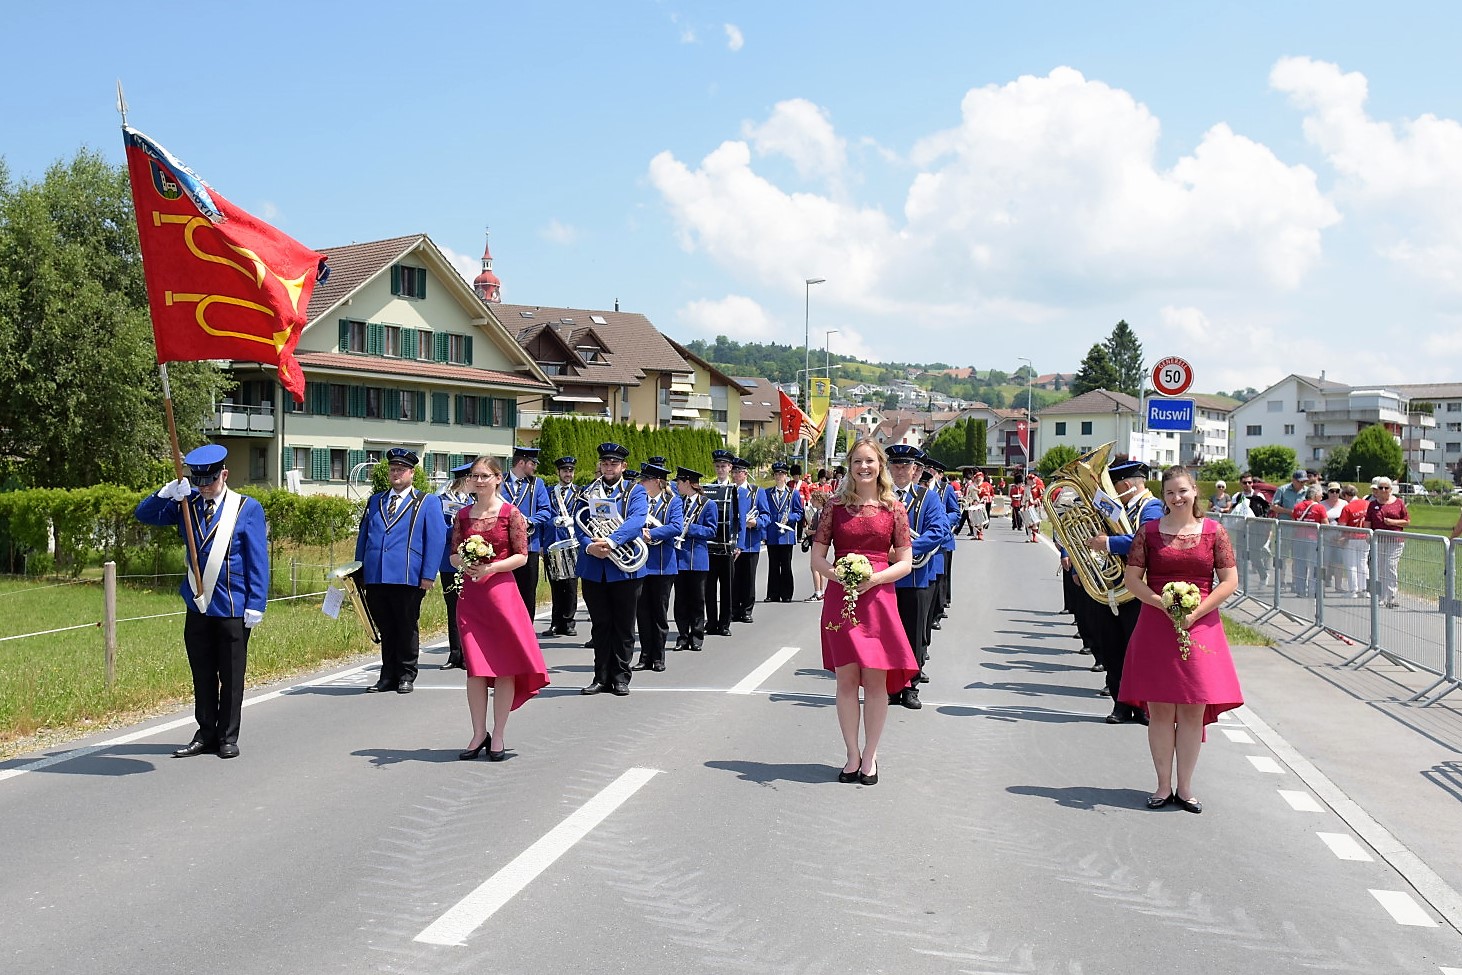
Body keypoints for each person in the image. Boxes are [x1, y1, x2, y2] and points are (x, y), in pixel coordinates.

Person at [1118, 466, 1242, 813]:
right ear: (1163, 496)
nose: (1177, 498)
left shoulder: (1215, 532)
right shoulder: (1149, 532)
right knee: (1160, 711)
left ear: (1194, 492)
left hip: (1201, 625)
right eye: (1170, 492)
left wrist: (1196, 611)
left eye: (1183, 491)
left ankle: (1185, 788)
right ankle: (1161, 787)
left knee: (1192, 709)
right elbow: (1132, 580)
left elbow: (1229, 581)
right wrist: (1160, 603)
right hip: (1156, 625)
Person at [134, 444, 267, 759]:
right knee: (202, 673)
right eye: (199, 482)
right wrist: (167, 492)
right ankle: (205, 733)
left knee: (231, 676)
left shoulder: (246, 508)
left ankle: (227, 737)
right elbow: (144, 514)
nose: (204, 487)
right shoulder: (187, 504)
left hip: (233, 606)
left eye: (210, 481)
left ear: (224, 474)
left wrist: (256, 603)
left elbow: (257, 559)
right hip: (198, 605)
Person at [810, 437, 917, 785]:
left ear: (880, 466)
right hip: (841, 599)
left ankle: (870, 755)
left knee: (875, 681)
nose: (864, 467)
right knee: (846, 680)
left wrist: (875, 579)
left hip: (878, 600)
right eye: (857, 461)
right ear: (850, 466)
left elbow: (905, 562)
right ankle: (852, 754)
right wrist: (837, 574)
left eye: (870, 461)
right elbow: (816, 558)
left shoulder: (893, 509)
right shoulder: (834, 507)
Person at [450, 456, 549, 761]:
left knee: (505, 666)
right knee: (475, 669)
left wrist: (491, 567)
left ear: (497, 479)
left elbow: (521, 555)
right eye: (474, 476)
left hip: (501, 595)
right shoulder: (462, 516)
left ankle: (499, 735)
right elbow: (453, 554)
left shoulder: (511, 513)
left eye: (484, 476)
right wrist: (464, 562)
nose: (478, 481)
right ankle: (479, 732)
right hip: (471, 598)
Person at [355, 448, 446, 695]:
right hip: (376, 575)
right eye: (392, 469)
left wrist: (428, 575)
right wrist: (358, 568)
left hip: (408, 575)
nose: (395, 474)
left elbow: (436, 540)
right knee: (386, 627)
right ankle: (387, 676)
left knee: (406, 625)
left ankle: (406, 674)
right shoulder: (376, 500)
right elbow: (365, 535)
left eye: (401, 470)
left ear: (411, 473)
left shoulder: (427, 502)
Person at [1085, 459, 1165, 724]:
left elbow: (1145, 539)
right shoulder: (1121, 509)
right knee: (1113, 647)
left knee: (1137, 650)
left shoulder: (1151, 507)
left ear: (1127, 485)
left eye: (1115, 486)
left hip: (1138, 591)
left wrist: (1106, 542)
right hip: (1112, 587)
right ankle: (1120, 703)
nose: (1112, 492)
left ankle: (1141, 705)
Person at [574, 442, 648, 695]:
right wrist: (588, 547)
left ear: (623, 466)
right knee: (600, 625)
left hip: (625, 569)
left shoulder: (634, 491)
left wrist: (611, 541)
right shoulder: (588, 491)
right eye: (605, 463)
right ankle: (600, 677)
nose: (608, 467)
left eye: (613, 463)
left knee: (624, 626)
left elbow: (637, 520)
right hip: (594, 567)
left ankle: (620, 677)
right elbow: (578, 523)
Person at [886, 445, 950, 709]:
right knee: (887, 634)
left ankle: (910, 687)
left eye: (906, 466)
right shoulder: (881, 496)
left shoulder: (928, 498)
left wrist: (906, 550)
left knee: (912, 634)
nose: (901, 471)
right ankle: (890, 686)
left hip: (915, 577)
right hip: (884, 577)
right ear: (888, 468)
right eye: (896, 466)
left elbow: (939, 530)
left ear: (915, 469)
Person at [633, 461, 684, 673]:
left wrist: (651, 534)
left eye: (645, 480)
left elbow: (676, 527)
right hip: (641, 563)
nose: (641, 483)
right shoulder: (639, 500)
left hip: (663, 565)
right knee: (642, 613)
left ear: (656, 481)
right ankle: (645, 655)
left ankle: (659, 656)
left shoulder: (673, 501)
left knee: (659, 613)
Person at [500, 446, 553, 618]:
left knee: (527, 592)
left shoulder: (537, 484)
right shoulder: (500, 482)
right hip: (503, 547)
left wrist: (529, 521)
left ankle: (526, 632)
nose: (535, 467)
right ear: (521, 463)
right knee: (503, 592)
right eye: (532, 464)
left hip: (529, 546)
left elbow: (546, 510)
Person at [672, 468, 717, 651]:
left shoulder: (708, 504)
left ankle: (697, 637)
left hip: (697, 558)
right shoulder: (677, 503)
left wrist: (691, 529)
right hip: (679, 558)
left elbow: (712, 530)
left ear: (688, 482)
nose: (677, 485)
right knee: (680, 601)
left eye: (679, 482)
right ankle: (682, 636)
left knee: (697, 600)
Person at [437, 461, 475, 670]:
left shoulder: (472, 501)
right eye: (472, 479)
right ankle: (455, 653)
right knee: (453, 607)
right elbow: (439, 529)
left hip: (469, 559)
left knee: (468, 608)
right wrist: (456, 529)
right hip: (448, 561)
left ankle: (468, 654)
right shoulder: (441, 500)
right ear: (465, 480)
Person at [541, 456, 581, 638]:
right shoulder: (549, 493)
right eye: (565, 470)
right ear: (558, 472)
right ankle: (556, 623)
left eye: (571, 470)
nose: (568, 474)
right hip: (552, 543)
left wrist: (572, 521)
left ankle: (569, 622)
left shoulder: (580, 493)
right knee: (555, 585)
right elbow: (541, 518)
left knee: (571, 585)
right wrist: (542, 543)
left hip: (572, 544)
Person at [703, 449, 740, 636]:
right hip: (710, 547)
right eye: (717, 466)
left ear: (730, 468)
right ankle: (711, 622)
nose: (720, 469)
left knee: (727, 587)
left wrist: (737, 544)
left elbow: (737, 520)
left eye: (723, 466)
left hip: (727, 547)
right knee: (709, 587)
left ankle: (725, 624)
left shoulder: (734, 491)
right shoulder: (708, 489)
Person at [730, 456, 768, 622]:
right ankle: (733, 609)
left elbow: (766, 515)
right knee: (732, 578)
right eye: (734, 472)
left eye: (739, 472)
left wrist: (756, 522)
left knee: (748, 578)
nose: (736, 475)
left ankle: (746, 610)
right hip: (732, 542)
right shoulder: (730, 491)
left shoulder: (757, 492)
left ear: (745, 474)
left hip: (750, 542)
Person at [761, 461, 804, 602]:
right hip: (773, 533)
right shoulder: (767, 493)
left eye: (782, 474)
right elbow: (764, 513)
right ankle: (772, 593)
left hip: (786, 534)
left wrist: (790, 517)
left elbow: (799, 513)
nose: (779, 476)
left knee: (786, 565)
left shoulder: (793, 493)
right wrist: (764, 534)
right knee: (773, 565)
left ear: (786, 476)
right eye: (777, 474)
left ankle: (786, 594)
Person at [1366, 477, 1410, 607]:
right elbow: (1368, 521)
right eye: (1381, 488)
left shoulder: (1399, 503)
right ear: (1377, 490)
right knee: (1380, 567)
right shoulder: (1373, 505)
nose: (1384, 490)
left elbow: (1406, 521)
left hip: (1395, 539)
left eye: (1386, 488)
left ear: (1391, 489)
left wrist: (1392, 522)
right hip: (1378, 540)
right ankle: (1381, 596)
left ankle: (1391, 596)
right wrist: (1367, 535)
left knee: (1390, 566)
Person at [1230, 473, 1273, 587]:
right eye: (1245, 482)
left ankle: (1263, 575)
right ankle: (1240, 583)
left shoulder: (1259, 496)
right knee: (1240, 555)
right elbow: (1232, 510)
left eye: (1250, 482)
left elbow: (1265, 511)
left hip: (1256, 530)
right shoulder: (1237, 496)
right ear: (1241, 483)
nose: (1247, 485)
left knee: (1254, 554)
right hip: (1241, 529)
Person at [1271, 470, 1309, 592]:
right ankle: (1281, 581)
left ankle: (1294, 582)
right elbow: (1274, 506)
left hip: (1300, 528)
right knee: (1282, 555)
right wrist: (1290, 512)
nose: (1302, 484)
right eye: (1300, 482)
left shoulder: (1307, 491)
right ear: (1293, 480)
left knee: (1298, 556)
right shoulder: (1283, 490)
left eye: (1304, 482)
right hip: (1285, 526)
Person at [1289, 486, 1327, 599]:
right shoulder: (1320, 508)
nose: (1321, 497)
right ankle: (1313, 590)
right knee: (1315, 565)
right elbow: (1325, 524)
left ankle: (1300, 590)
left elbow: (1293, 523)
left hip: (1299, 539)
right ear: (1315, 495)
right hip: (1314, 540)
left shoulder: (1297, 506)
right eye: (1320, 495)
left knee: (1300, 565)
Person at [1337, 485, 1371, 598]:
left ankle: (1353, 590)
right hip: (1365, 537)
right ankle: (1364, 589)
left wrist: (1341, 537)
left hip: (1351, 538)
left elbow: (1342, 525)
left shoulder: (1347, 508)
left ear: (1346, 495)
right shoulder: (1367, 504)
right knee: (1363, 563)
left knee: (1351, 564)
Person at [803, 490, 828, 599]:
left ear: (818, 500)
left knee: (814, 567)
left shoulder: (820, 513)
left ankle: (817, 592)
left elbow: (820, 530)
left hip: (817, 541)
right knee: (820, 567)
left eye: (813, 499)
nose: (811, 501)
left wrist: (809, 532)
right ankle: (821, 591)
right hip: (820, 542)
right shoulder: (823, 512)